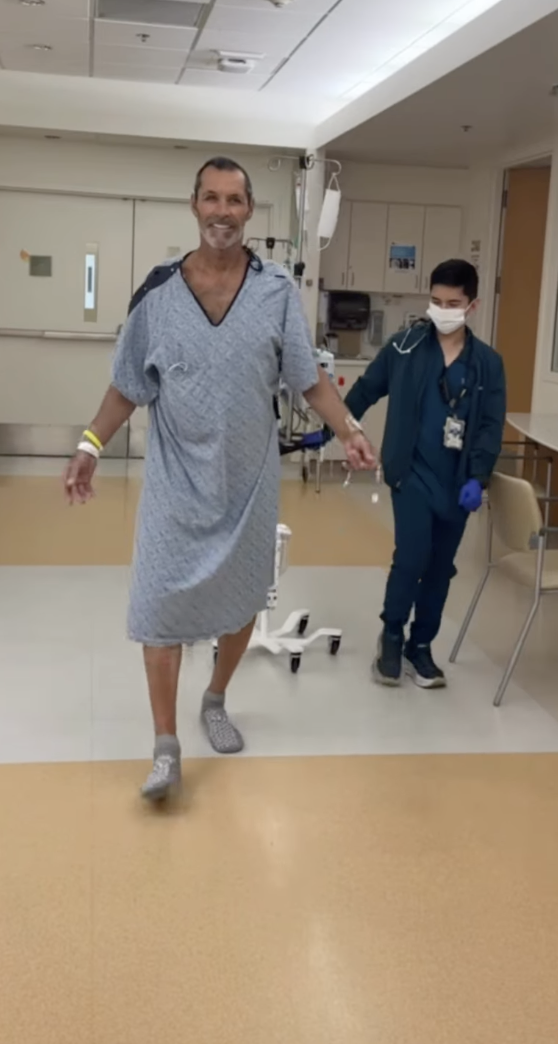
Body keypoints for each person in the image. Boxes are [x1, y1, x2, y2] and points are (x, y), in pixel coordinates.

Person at [63, 156, 377, 800]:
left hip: (249, 483)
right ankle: (165, 748)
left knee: (242, 599)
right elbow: (126, 388)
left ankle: (214, 698)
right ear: (194, 206)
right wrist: (89, 444)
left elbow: (307, 379)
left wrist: (348, 430)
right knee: (157, 608)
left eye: (235, 201)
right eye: (212, 198)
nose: (222, 212)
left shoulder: (273, 294)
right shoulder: (157, 297)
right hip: (176, 483)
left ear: (249, 210)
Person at [344, 258, 505, 688]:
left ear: (473, 306)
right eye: (435, 301)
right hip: (411, 472)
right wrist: (341, 430)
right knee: (411, 558)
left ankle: (422, 645)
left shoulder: (488, 364)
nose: (442, 310)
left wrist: (479, 476)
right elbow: (365, 390)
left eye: (453, 302)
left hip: (457, 483)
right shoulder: (405, 347)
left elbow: (490, 426)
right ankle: (392, 636)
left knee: (439, 568)